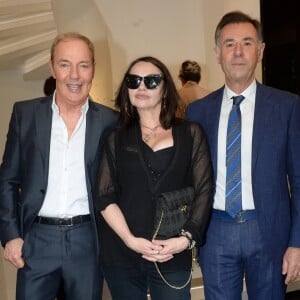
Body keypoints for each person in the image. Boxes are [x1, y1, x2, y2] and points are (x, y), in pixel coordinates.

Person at [186, 11, 300, 300]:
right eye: (229, 44)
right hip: (216, 232)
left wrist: (297, 243)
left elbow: (299, 180)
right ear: (217, 53)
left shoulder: (286, 107)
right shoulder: (198, 112)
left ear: (260, 51)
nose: (238, 52)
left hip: (269, 232)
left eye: (247, 43)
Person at [0, 32, 118, 300]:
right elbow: (7, 179)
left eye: (83, 65)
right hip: (37, 240)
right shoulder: (25, 114)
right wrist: (10, 236)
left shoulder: (111, 122)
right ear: (53, 67)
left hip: (88, 241)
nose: (74, 75)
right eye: (65, 64)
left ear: (93, 69)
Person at [96, 56, 213, 300]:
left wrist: (185, 240)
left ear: (165, 88)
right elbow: (104, 196)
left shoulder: (190, 133)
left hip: (172, 252)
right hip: (122, 254)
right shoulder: (115, 138)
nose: (141, 87)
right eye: (134, 80)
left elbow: (204, 190)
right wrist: (131, 240)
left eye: (151, 81)